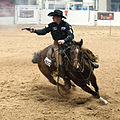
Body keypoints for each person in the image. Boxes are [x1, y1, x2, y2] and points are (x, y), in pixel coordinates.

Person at [30, 10, 74, 89]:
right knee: (59, 60)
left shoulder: (66, 25)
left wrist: (64, 40)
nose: (53, 18)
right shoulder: (51, 25)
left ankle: (91, 61)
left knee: (79, 52)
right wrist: (35, 31)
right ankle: (65, 78)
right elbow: (43, 31)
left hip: (68, 44)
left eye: (54, 17)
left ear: (59, 18)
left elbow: (71, 35)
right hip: (57, 45)